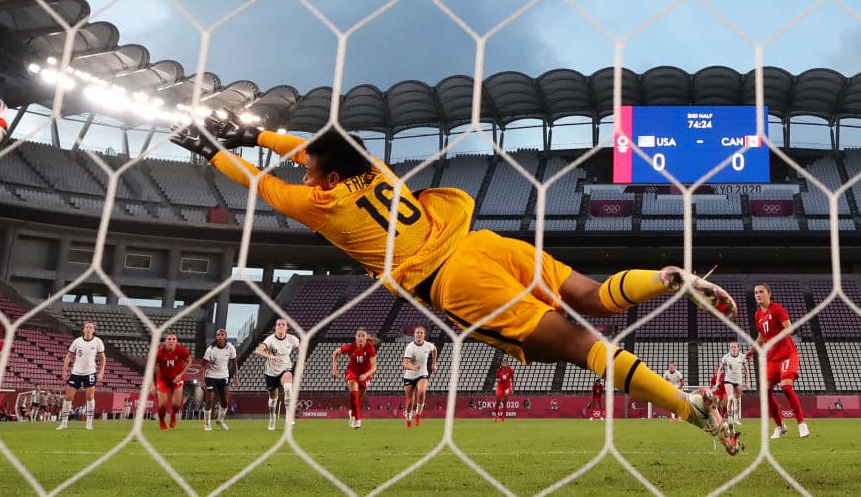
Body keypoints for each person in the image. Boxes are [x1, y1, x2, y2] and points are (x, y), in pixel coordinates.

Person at [170, 122, 743, 455]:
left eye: (311, 171)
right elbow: (310, 146)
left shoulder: (318, 204)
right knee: (591, 297)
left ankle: (692, 410)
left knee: (576, 342)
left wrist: (214, 149)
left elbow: (259, 181)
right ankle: (667, 279)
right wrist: (256, 132)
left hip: (454, 280)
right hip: (483, 242)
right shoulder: (372, 168)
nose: (304, 173)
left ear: (331, 179)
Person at [746, 283, 809, 439]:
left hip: (787, 354)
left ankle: (801, 424)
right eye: (756, 292)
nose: (758, 294)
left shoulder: (777, 309)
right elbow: (761, 337)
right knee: (765, 391)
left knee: (786, 387)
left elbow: (789, 328)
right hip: (772, 357)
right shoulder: (757, 315)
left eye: (761, 292)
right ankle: (780, 426)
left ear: (769, 294)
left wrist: (775, 340)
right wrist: (751, 351)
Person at [56, 321, 106, 431]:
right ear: (83, 329)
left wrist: (101, 372)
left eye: (91, 327)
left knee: (89, 397)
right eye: (87, 327)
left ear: (93, 330)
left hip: (90, 372)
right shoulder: (77, 341)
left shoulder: (98, 342)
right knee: (68, 397)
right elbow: (69, 356)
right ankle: (64, 423)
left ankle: (89, 423)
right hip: (76, 373)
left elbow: (102, 358)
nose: (88, 329)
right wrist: (64, 370)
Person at [255, 318, 299, 430]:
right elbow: (258, 350)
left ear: (286, 327)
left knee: (288, 387)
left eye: (283, 324)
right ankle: (272, 419)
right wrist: (270, 356)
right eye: (278, 324)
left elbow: (301, 349)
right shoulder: (270, 340)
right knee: (273, 399)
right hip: (271, 372)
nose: (280, 326)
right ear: (275, 327)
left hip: (285, 368)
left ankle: (289, 416)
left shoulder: (292, 339)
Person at [331, 328, 377, 429]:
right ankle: (357, 419)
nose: (360, 337)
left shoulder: (370, 348)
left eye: (362, 336)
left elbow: (374, 367)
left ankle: (352, 414)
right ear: (355, 337)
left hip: (365, 374)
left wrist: (366, 375)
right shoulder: (351, 347)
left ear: (366, 338)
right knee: (353, 391)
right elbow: (335, 353)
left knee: (359, 399)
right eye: (358, 335)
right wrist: (334, 369)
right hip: (352, 372)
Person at [154, 332, 191, 430]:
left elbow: (189, 361)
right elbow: (151, 366)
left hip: (177, 379)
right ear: (165, 341)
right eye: (169, 339)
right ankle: (162, 422)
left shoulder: (182, 350)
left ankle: (173, 415)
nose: (171, 341)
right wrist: (151, 383)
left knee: (176, 404)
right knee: (162, 404)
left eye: (173, 339)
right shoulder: (159, 352)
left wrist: (181, 374)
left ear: (176, 341)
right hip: (163, 379)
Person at [202, 328, 238, 431]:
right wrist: (202, 380)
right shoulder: (210, 350)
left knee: (225, 401)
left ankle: (220, 420)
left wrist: (236, 377)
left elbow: (234, 362)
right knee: (210, 400)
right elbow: (203, 366)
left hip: (224, 376)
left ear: (225, 336)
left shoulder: (230, 348)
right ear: (216, 337)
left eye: (222, 335)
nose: (220, 337)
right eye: (218, 335)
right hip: (211, 376)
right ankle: (207, 424)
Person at [402, 325, 437, 428]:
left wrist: (434, 364)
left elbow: (434, 350)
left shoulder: (428, 345)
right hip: (409, 376)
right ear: (414, 335)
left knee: (421, 391)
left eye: (421, 333)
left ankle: (418, 414)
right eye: (417, 333)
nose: (419, 334)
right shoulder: (410, 348)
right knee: (410, 402)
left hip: (422, 374)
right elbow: (405, 364)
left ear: (424, 335)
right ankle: (408, 420)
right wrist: (412, 368)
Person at [716, 341, 748, 425]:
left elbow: (746, 369)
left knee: (737, 400)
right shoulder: (726, 357)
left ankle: (736, 418)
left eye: (735, 347)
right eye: (732, 347)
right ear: (729, 348)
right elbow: (720, 368)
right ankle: (730, 418)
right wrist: (717, 380)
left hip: (738, 381)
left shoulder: (742, 357)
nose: (733, 348)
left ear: (738, 348)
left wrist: (748, 381)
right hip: (728, 380)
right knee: (730, 399)